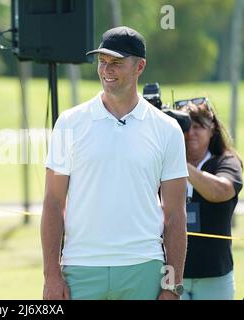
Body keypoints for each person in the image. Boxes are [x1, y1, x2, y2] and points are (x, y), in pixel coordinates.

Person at [41, 26, 188, 300]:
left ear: (139, 66)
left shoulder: (168, 130)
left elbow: (175, 215)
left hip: (143, 267)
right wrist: (51, 275)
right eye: (103, 61)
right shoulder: (68, 123)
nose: (107, 69)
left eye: (117, 63)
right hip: (81, 268)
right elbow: (52, 201)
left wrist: (172, 285)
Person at [179, 100, 243, 300]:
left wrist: (179, 163)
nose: (191, 133)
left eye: (198, 127)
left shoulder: (226, 161)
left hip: (215, 275)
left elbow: (221, 191)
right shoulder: (162, 163)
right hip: (172, 274)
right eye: (187, 127)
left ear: (212, 129)